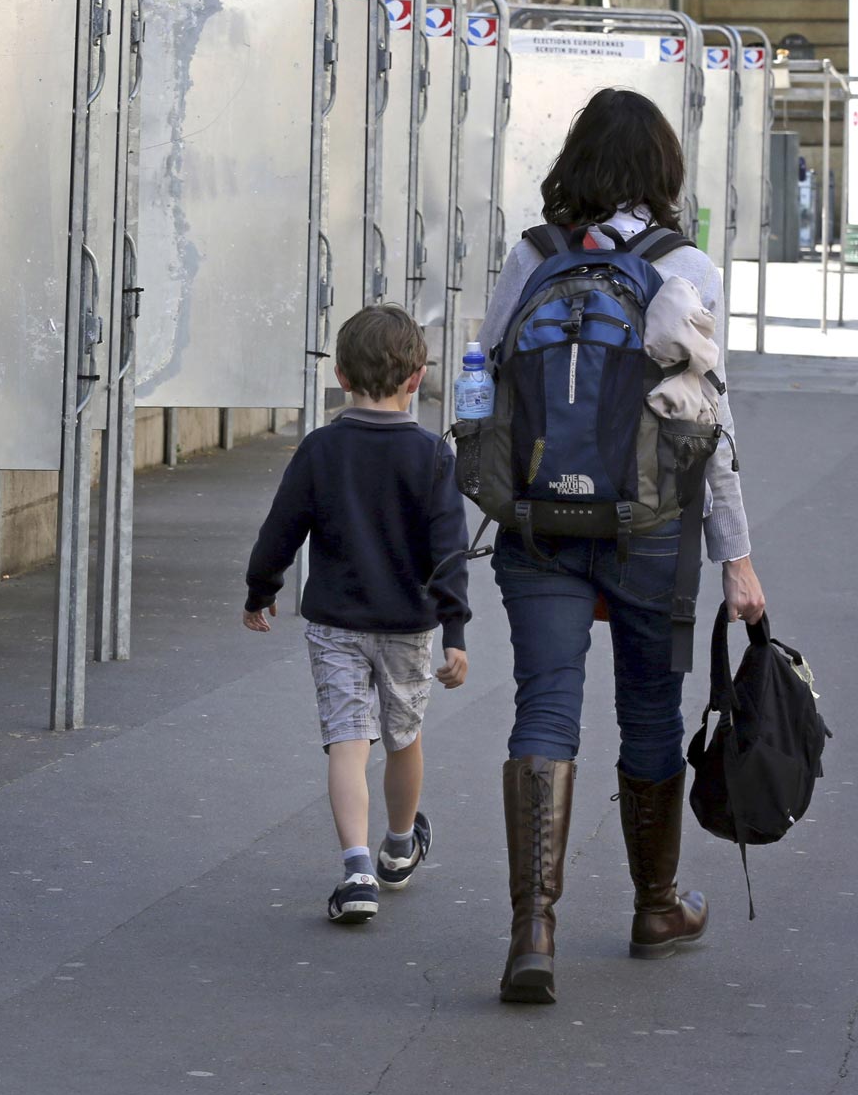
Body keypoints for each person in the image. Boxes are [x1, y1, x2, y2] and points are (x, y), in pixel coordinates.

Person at [480, 86, 766, 1004]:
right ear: (663, 170)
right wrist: (738, 555)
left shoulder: (530, 257)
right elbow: (709, 423)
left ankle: (533, 929)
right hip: (653, 529)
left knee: (545, 705)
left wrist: (482, 494)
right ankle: (655, 905)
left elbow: (482, 374)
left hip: (536, 525)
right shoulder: (689, 268)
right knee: (648, 712)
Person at [242, 305, 471, 926]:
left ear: (340, 375)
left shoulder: (321, 449)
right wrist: (454, 631)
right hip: (408, 625)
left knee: (346, 739)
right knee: (404, 736)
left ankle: (357, 869)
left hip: (336, 622)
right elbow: (448, 549)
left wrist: (260, 591)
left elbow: (280, 531)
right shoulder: (431, 455)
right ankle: (400, 846)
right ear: (416, 377)